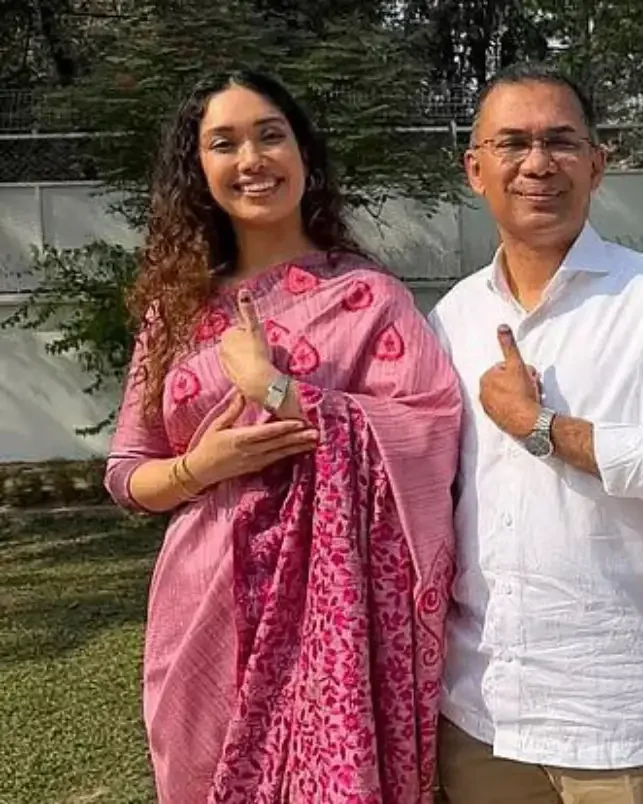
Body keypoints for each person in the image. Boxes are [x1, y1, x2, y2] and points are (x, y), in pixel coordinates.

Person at [103, 69, 462, 803]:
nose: (252, 159)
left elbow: (430, 436)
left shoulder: (369, 299)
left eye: (271, 135)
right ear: (199, 171)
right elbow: (127, 470)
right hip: (201, 610)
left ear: (304, 154)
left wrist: (278, 391)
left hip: (335, 625)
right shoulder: (174, 313)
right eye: (224, 143)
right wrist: (198, 467)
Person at [427, 62, 643, 804]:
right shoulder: (452, 319)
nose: (537, 163)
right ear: (476, 170)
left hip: (623, 713)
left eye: (560, 141)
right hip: (483, 714)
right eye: (512, 144)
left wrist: (545, 429)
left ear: (597, 165)